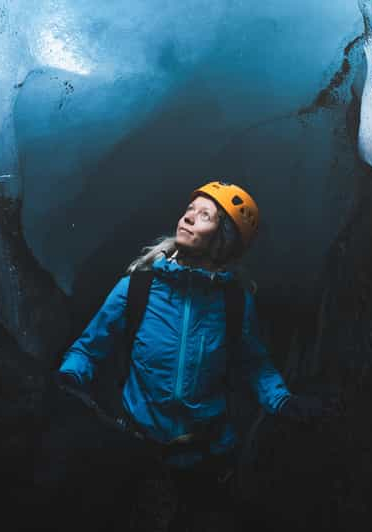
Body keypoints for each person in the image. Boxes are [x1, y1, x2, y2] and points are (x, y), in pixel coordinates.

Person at [57, 181, 334, 531]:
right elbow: (90, 346)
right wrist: (68, 379)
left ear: (225, 239)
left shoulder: (233, 302)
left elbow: (254, 363)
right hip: (138, 452)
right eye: (189, 211)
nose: (188, 219)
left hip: (207, 460)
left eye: (205, 216)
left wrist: (283, 401)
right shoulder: (139, 286)